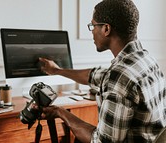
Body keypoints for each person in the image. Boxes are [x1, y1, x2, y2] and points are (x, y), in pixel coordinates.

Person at [38, 0, 166, 142]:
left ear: (106, 29)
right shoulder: (146, 60)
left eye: (93, 25)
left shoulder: (120, 76)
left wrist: (60, 112)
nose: (92, 31)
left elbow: (101, 141)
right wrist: (57, 70)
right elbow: (95, 76)